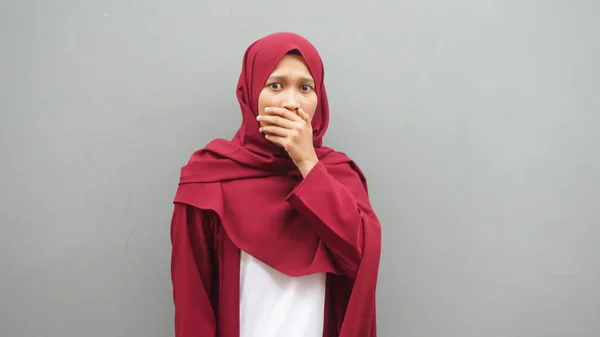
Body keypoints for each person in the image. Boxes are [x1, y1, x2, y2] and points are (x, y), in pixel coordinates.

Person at [170, 31, 382, 337]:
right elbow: (193, 304)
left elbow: (360, 260)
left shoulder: (339, 176)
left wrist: (308, 163)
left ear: (318, 100)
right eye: (276, 85)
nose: (291, 102)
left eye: (305, 87)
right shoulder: (209, 177)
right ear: (251, 92)